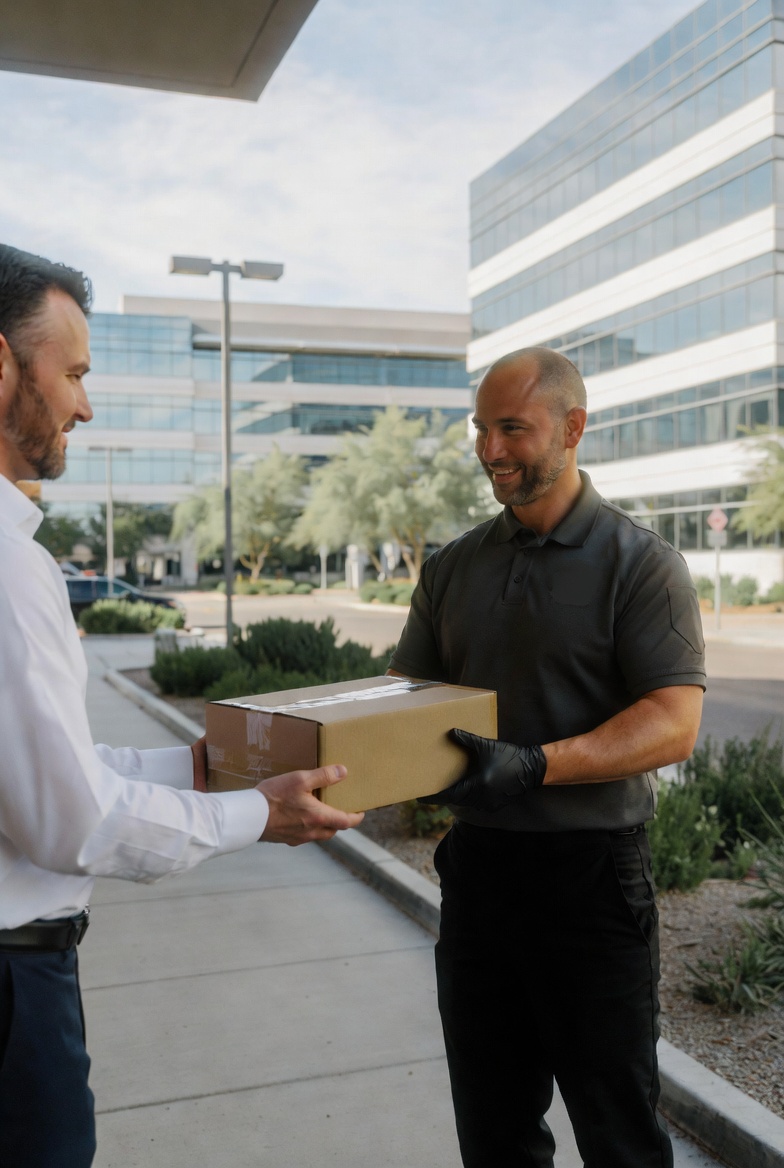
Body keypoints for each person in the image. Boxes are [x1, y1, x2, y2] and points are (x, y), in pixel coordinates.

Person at [0, 244, 364, 1168]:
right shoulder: (8, 568)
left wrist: (194, 768)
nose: (85, 405)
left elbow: (39, 770)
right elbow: (72, 820)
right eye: (73, 374)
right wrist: (257, 813)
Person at [389, 346, 706, 1168]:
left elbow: (674, 723)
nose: (491, 450)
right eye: (481, 429)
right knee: (493, 1130)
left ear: (572, 428)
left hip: (591, 881)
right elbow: (403, 701)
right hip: (480, 875)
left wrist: (535, 765)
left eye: (513, 429)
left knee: (619, 1136)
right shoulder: (452, 566)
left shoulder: (641, 563)